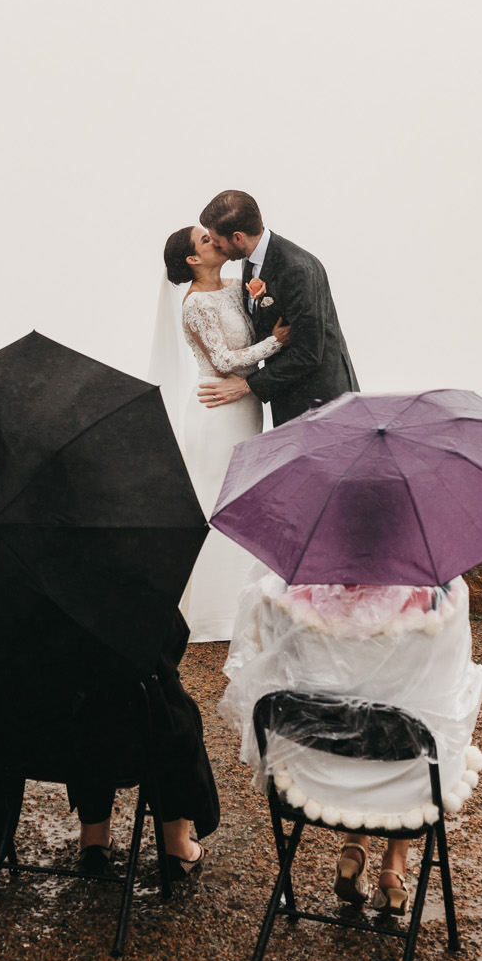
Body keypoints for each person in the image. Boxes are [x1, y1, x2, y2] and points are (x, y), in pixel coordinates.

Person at [221, 574, 482, 913]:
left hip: (315, 779)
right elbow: (447, 696)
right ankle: (394, 868)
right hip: (409, 783)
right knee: (426, 707)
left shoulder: (286, 596)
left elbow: (268, 674)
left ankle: (354, 849)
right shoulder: (442, 601)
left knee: (358, 701)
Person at [155, 226, 288, 640]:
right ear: (193, 259)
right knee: (216, 501)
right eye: (205, 240)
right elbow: (225, 359)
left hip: (245, 406)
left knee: (243, 498)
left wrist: (261, 298)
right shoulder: (194, 304)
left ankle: (241, 600)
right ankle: (213, 613)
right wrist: (275, 342)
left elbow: (252, 320)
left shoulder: (236, 285)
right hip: (216, 410)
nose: (215, 239)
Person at [195, 190, 357, 426]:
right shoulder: (249, 260)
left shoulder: (296, 269)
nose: (217, 248)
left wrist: (248, 385)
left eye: (218, 242)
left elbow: (308, 353)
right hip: (288, 398)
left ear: (238, 238)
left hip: (320, 403)